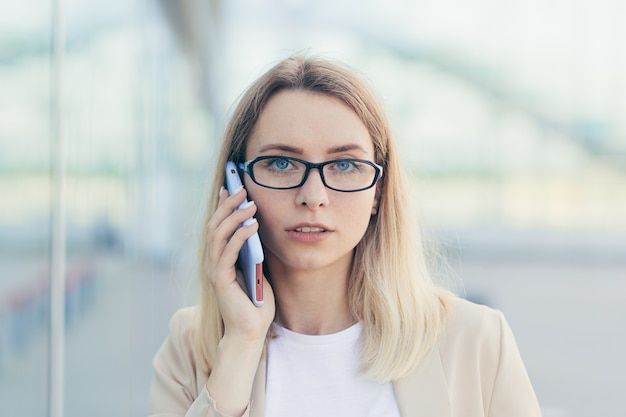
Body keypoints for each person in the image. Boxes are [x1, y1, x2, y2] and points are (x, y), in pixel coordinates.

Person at [149, 55, 542, 417]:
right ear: (237, 187)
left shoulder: (475, 341)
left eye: (344, 164)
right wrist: (241, 341)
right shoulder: (189, 347)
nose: (313, 197)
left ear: (378, 192)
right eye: (281, 163)